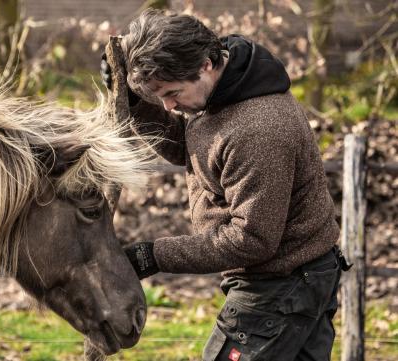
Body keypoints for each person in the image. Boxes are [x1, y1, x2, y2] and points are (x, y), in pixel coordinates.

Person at [101, 9, 350, 361]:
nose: (169, 106)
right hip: (296, 276)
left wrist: (154, 255)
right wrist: (136, 102)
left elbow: (252, 240)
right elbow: (189, 149)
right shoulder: (223, 91)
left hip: (283, 285)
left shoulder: (258, 129)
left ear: (205, 63)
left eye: (172, 93)